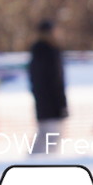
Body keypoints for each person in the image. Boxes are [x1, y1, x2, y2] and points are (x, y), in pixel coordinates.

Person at [27, 19, 68, 155]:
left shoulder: (36, 52)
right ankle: (40, 163)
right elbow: (56, 80)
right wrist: (61, 104)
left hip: (42, 102)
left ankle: (34, 162)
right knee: (51, 137)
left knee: (45, 135)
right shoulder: (50, 52)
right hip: (51, 104)